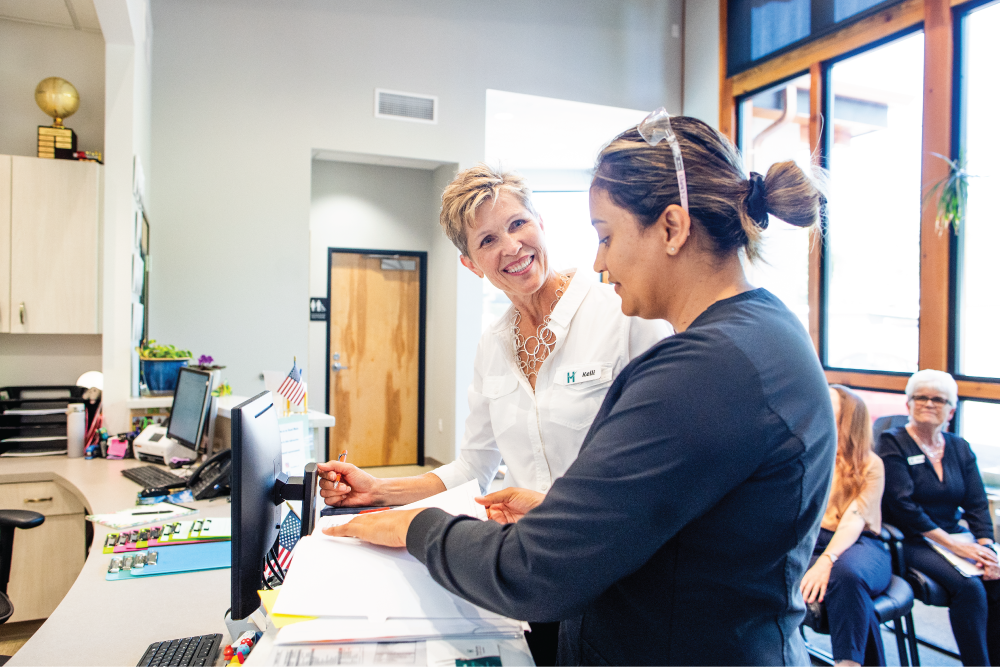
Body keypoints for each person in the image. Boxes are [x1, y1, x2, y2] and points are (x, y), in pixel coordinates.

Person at [324, 109, 835, 666]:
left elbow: (536, 570)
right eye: (489, 240)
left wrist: (418, 527)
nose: (599, 261)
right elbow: (674, 498)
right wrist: (554, 509)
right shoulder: (764, 334)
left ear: (672, 228)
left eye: (607, 235)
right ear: (472, 264)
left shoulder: (702, 370)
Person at [317, 164, 670, 666]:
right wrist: (378, 490)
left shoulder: (619, 312)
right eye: (487, 240)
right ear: (470, 264)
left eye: (518, 224)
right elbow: (472, 467)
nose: (511, 246)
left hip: (621, 569)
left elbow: (661, 463)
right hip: (535, 568)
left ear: (542, 223)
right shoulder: (493, 345)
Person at [877, 369, 999, 667]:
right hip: (911, 539)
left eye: (939, 399)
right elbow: (903, 507)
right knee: (969, 587)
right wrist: (959, 549)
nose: (930, 404)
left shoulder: (958, 447)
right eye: (922, 397)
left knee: (996, 578)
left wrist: (986, 546)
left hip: (955, 534)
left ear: (951, 409)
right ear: (908, 404)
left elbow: (977, 504)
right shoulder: (891, 443)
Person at [800, 385, 891, 667]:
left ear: (848, 417)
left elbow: (854, 519)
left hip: (861, 542)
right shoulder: (811, 453)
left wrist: (827, 560)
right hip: (814, 542)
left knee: (847, 574)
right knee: (856, 597)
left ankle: (847, 664)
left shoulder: (870, 464)